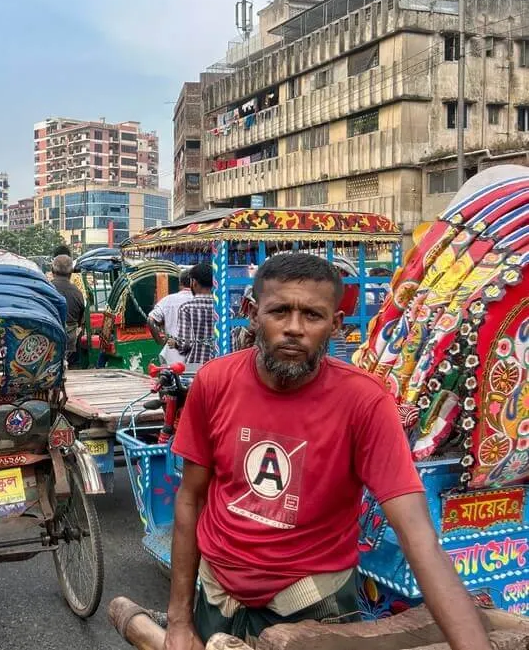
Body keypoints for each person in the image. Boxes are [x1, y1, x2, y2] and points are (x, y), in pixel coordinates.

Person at [164, 252, 492, 650]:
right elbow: (190, 499)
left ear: (335, 325)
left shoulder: (364, 402)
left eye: (313, 316)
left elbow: (419, 537)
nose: (294, 329)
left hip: (315, 606)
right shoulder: (214, 382)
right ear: (252, 312)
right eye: (279, 311)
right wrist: (179, 621)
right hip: (216, 598)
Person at [171, 263, 217, 373]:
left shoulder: (187, 309)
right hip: (220, 366)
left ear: (194, 283)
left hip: (195, 368)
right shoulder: (225, 310)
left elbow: (185, 344)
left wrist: (175, 344)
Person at [147, 271, 193, 366]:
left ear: (180, 283)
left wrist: (160, 341)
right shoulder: (203, 301)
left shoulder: (167, 300)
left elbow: (150, 320)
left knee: (172, 379)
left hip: (172, 356)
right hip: (196, 357)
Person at [50, 253, 86, 364]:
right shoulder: (78, 293)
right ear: (71, 272)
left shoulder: (46, 289)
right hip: (70, 344)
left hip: (49, 342)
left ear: (52, 270)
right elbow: (81, 321)